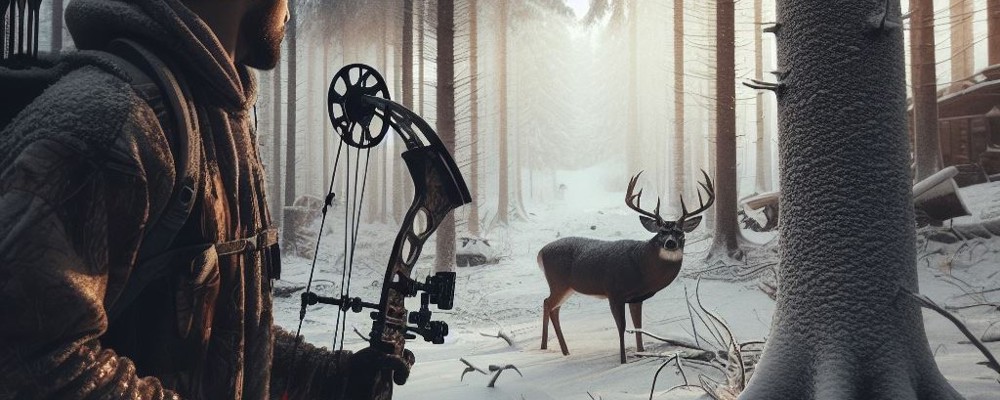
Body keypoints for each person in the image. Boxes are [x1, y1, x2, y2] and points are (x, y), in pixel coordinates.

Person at [0, 0, 411, 398]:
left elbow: (219, 335)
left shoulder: (207, 115)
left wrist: (330, 378)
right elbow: (28, 364)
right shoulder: (115, 124)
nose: (289, 11)